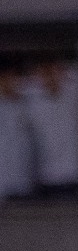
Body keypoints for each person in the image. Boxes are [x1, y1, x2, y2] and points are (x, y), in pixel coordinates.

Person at [22, 56, 78, 200]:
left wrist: (62, 69)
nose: (48, 77)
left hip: (76, 174)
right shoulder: (33, 101)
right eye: (43, 73)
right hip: (48, 177)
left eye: (52, 71)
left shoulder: (72, 91)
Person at [0, 61, 33, 201]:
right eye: (6, 78)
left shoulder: (27, 104)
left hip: (23, 180)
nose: (12, 82)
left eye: (14, 78)